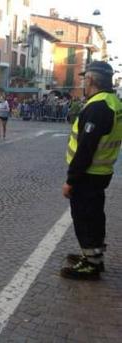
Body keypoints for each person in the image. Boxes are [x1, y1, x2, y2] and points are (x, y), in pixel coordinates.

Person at [61, 61, 122, 280]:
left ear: (91, 80)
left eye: (84, 79)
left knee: (85, 217)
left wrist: (71, 180)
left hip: (88, 174)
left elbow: (86, 148)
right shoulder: (113, 102)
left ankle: (91, 265)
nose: (82, 83)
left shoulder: (98, 106)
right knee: (95, 215)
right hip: (101, 171)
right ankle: (93, 257)